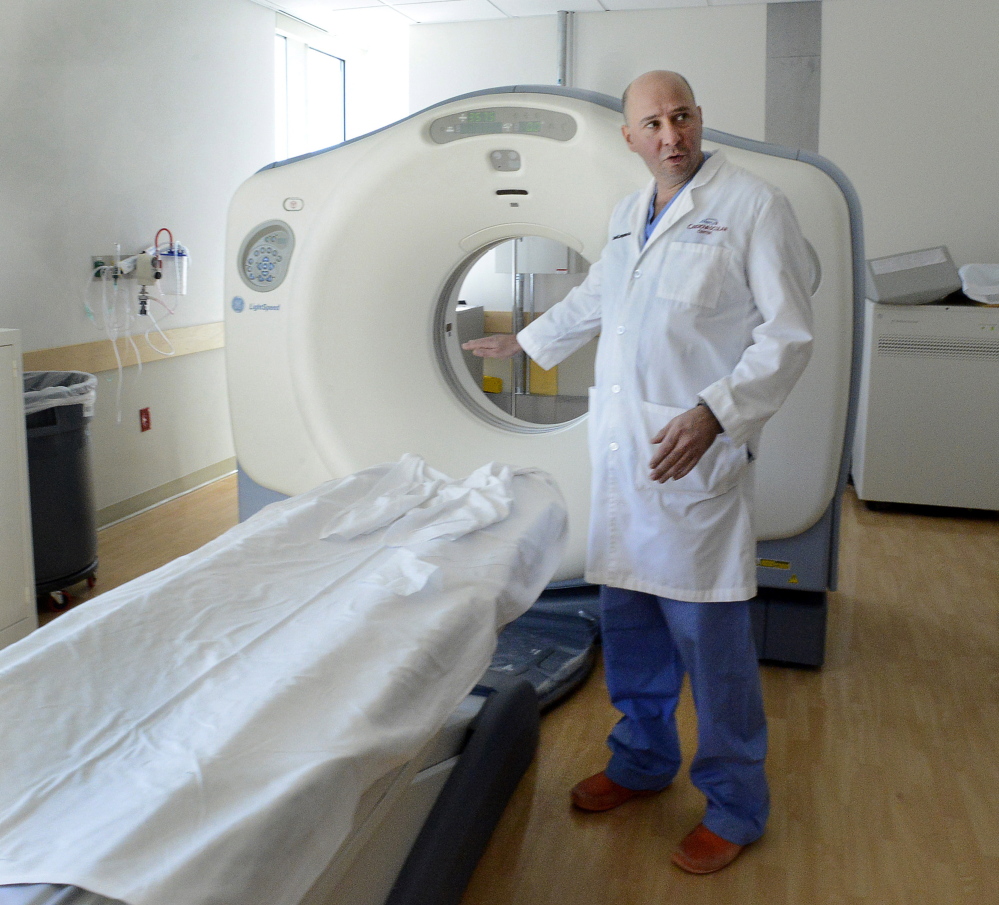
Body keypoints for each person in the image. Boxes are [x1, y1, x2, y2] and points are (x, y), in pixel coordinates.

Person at [463, 70, 814, 873]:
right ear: (629, 138)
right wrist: (525, 341)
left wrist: (715, 412)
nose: (670, 134)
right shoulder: (627, 214)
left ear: (699, 118)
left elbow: (788, 334)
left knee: (712, 649)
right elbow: (599, 298)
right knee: (630, 629)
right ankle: (641, 761)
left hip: (694, 457)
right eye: (652, 123)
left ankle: (734, 805)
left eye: (680, 116)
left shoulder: (753, 206)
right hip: (627, 459)